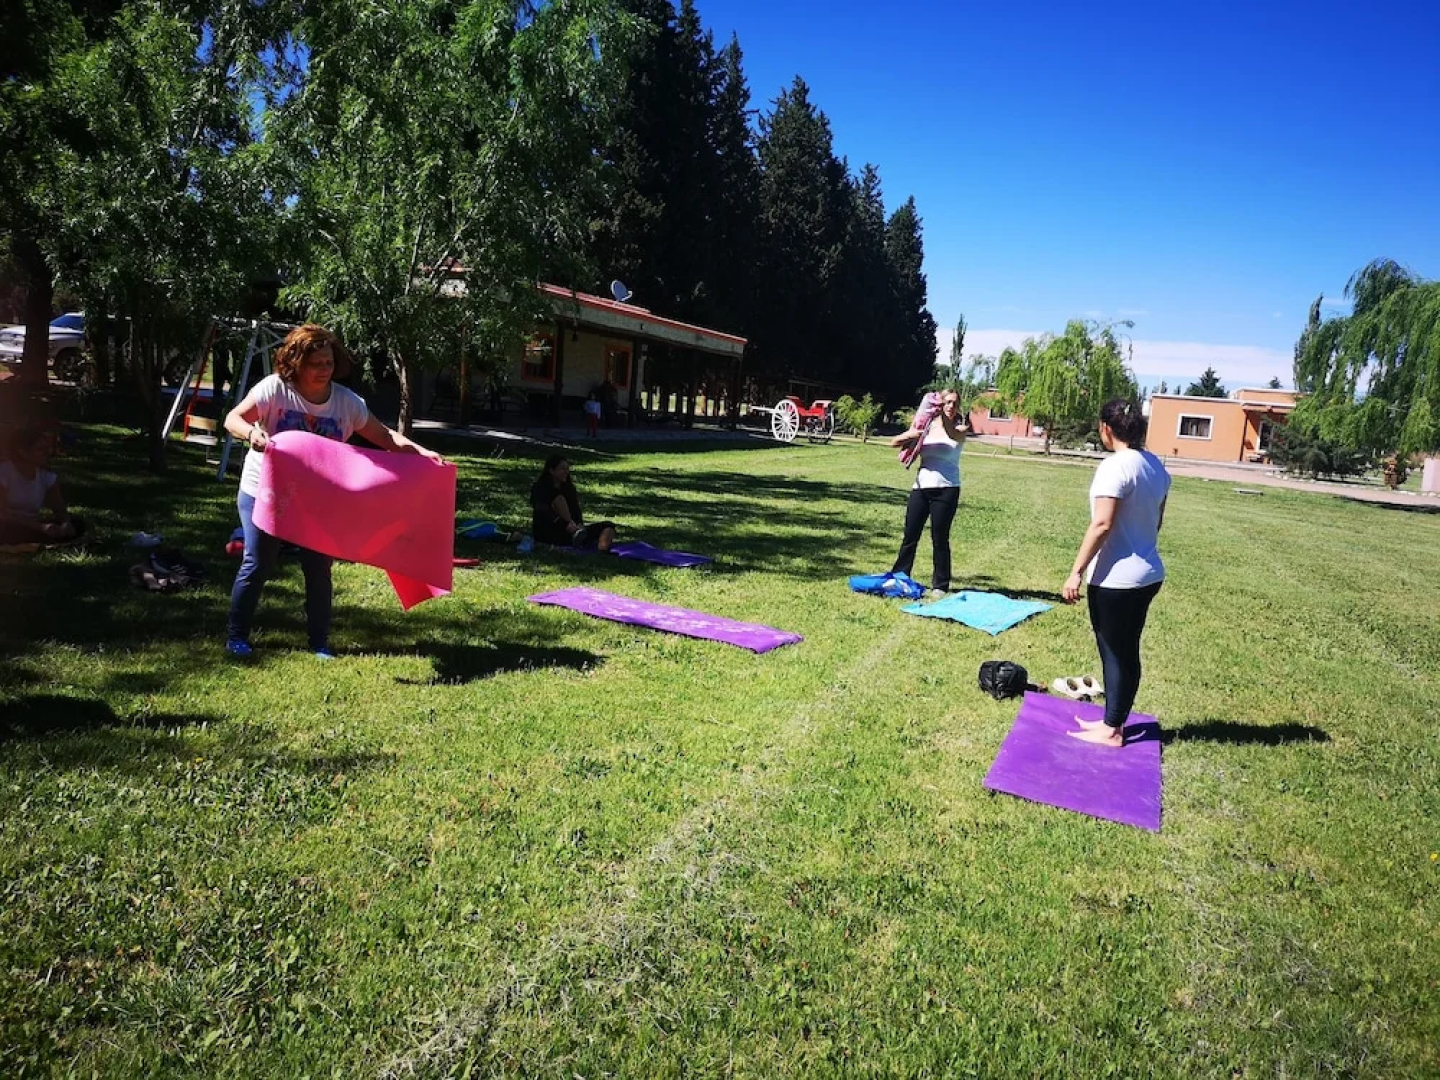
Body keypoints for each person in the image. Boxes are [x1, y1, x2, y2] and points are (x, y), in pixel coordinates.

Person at [223, 324, 444, 659]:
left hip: (317, 500)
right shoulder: (275, 390)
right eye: (316, 363)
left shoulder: (346, 403)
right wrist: (251, 435)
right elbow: (233, 419)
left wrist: (422, 453)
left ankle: (319, 642)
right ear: (296, 362)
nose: (324, 370)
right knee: (258, 562)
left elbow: (384, 438)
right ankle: (236, 636)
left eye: (328, 362)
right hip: (264, 492)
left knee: (318, 568)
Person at [1061, 398, 1171, 747]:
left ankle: (1112, 730)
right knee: (1128, 650)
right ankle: (1114, 722)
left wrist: (1075, 571)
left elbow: (1102, 524)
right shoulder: (1157, 467)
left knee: (1113, 652)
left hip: (1116, 580)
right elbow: (1157, 522)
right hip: (1148, 574)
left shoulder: (1115, 467)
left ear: (1105, 428)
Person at [888, 388, 968, 598]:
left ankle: (940, 584)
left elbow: (951, 434)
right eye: (946, 402)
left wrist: (939, 414)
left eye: (953, 403)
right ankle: (900, 576)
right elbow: (894, 442)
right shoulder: (926, 427)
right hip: (921, 488)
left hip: (947, 489)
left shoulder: (960, 428)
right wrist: (911, 434)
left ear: (958, 407)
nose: (950, 406)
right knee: (910, 535)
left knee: (939, 538)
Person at [0, 424, 82, 545]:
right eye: (40, 449)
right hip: (9, 524)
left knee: (77, 524)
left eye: (46, 448)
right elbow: (3, 514)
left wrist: (66, 523)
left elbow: (59, 508)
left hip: (34, 525)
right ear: (22, 452)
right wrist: (39, 527)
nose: (47, 452)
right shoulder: (4, 473)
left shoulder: (46, 476)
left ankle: (45, 536)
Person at [530, 455, 616, 551]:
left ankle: (602, 548)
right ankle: (576, 534)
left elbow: (575, 509)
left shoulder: (568, 488)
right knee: (559, 498)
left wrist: (579, 523)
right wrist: (566, 524)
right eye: (562, 469)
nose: (566, 472)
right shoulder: (540, 488)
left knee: (608, 526)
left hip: (571, 532)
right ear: (551, 471)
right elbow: (544, 511)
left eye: (567, 469)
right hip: (548, 533)